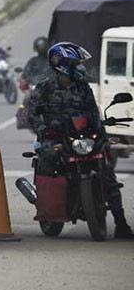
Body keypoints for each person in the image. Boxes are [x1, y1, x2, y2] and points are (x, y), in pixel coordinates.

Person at [27, 42, 132, 239]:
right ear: (61, 63)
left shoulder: (83, 87)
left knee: (108, 173)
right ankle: (47, 205)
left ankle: (121, 224)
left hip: (82, 137)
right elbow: (30, 113)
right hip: (55, 137)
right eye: (75, 63)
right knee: (49, 159)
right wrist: (43, 129)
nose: (80, 67)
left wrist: (102, 131)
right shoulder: (45, 87)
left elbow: (93, 111)